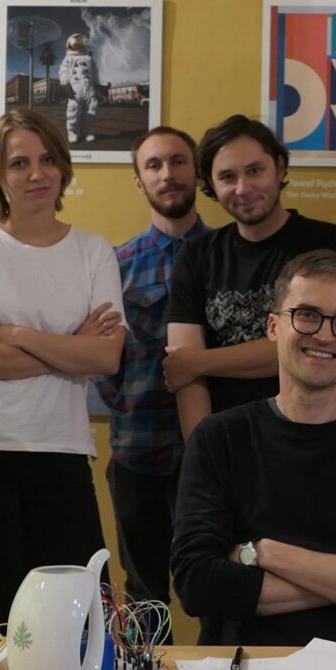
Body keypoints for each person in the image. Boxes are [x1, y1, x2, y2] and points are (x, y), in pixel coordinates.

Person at [171, 250, 336, 648]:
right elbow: (198, 584)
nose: (325, 335)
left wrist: (263, 552)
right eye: (307, 315)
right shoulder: (217, 439)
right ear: (273, 327)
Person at [0, 107, 125, 637]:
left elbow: (105, 358)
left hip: (60, 453)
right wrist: (71, 346)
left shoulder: (93, 250)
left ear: (63, 167)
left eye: (47, 160)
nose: (36, 174)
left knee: (77, 624)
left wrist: (17, 334)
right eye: (19, 163)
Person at [165, 114, 336, 441]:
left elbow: (314, 345)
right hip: (225, 442)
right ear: (210, 184)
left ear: (279, 168)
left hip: (312, 439)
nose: (243, 188)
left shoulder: (326, 243)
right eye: (227, 176)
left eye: (255, 171)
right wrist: (203, 453)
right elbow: (183, 372)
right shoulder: (196, 255)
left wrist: (200, 361)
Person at [92, 127, 210, 606]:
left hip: (213, 454)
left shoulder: (226, 254)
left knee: (215, 584)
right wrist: (126, 407)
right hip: (138, 453)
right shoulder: (116, 264)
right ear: (140, 183)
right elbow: (102, 361)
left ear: (197, 172)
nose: (168, 174)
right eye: (154, 166)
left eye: (178, 161)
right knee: (142, 594)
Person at [60, 33, 99, 144]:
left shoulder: (89, 59)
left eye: (79, 43)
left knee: (89, 112)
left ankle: (86, 132)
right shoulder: (68, 58)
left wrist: (97, 84)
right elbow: (64, 72)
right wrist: (66, 85)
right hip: (75, 90)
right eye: (75, 44)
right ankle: (72, 132)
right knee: (73, 111)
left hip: (89, 89)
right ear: (70, 45)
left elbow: (95, 72)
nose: (77, 46)